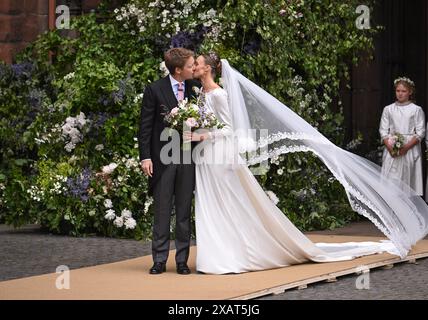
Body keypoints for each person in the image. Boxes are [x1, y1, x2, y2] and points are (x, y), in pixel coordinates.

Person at [185, 53, 428, 274]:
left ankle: (229, 254)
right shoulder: (201, 94)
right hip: (207, 155)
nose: (193, 66)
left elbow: (229, 128)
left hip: (220, 153)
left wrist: (203, 135)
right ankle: (216, 253)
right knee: (212, 202)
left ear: (208, 68)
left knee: (229, 201)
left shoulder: (218, 94)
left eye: (197, 63)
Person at [138, 48, 200, 275]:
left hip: (187, 158)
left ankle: (182, 260)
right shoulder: (155, 90)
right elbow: (145, 126)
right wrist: (145, 157)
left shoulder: (195, 90)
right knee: (162, 211)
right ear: (177, 70)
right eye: (191, 65)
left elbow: (203, 122)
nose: (194, 68)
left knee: (184, 212)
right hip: (162, 160)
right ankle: (159, 260)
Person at [379, 77, 425, 196]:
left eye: (403, 91)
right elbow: (383, 130)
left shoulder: (416, 110)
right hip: (392, 148)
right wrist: (390, 148)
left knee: (407, 183)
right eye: (398, 91)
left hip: (409, 149)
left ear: (410, 92)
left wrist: (406, 147)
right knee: (391, 183)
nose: (400, 93)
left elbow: (420, 132)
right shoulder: (388, 109)